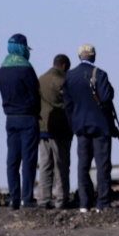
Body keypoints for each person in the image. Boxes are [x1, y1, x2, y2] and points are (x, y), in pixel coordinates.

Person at [63, 44, 115, 213]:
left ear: (79, 57)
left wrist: (75, 124)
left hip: (81, 127)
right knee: (102, 166)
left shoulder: (70, 76)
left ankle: (84, 203)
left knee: (83, 166)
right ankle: (102, 203)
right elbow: (107, 98)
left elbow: (68, 105)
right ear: (93, 56)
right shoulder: (100, 74)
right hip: (100, 126)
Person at [0, 33, 40, 210]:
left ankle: (14, 198)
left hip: (10, 119)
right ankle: (27, 198)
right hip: (28, 118)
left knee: (12, 159)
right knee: (28, 160)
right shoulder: (27, 69)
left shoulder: (1, 71)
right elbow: (35, 95)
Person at [36, 54, 72, 209]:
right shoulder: (63, 82)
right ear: (64, 66)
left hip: (43, 128)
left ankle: (43, 199)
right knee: (61, 165)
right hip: (61, 130)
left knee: (45, 165)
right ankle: (61, 199)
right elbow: (69, 104)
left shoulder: (41, 79)